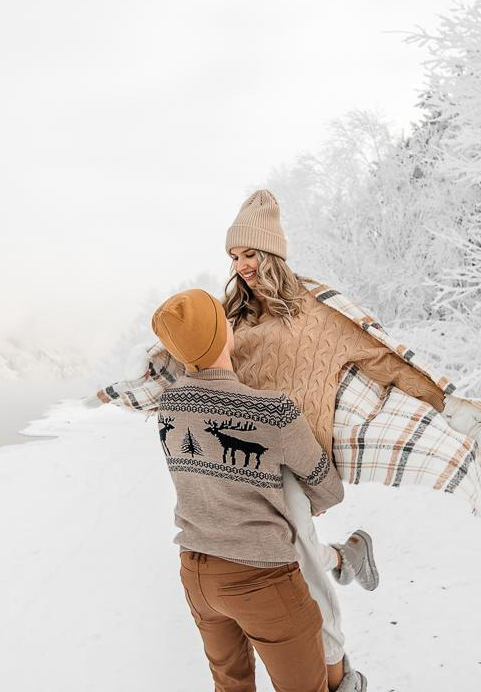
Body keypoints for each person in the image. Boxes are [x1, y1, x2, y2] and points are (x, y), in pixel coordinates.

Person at [92, 190, 481, 689]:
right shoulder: (232, 317)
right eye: (233, 256)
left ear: (272, 252)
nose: (241, 265)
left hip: (303, 454)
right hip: (254, 463)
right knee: (303, 560)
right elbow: (189, 354)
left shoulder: (321, 311)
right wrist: (132, 384)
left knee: (302, 568)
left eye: (249, 253)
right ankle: (346, 568)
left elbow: (383, 359)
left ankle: (334, 664)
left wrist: (446, 403)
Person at [150, 288, 364, 692]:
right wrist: (307, 501)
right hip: (262, 580)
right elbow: (329, 489)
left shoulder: (169, 404)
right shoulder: (271, 411)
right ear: (220, 334)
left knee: (232, 688)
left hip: (197, 576)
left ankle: (342, 557)